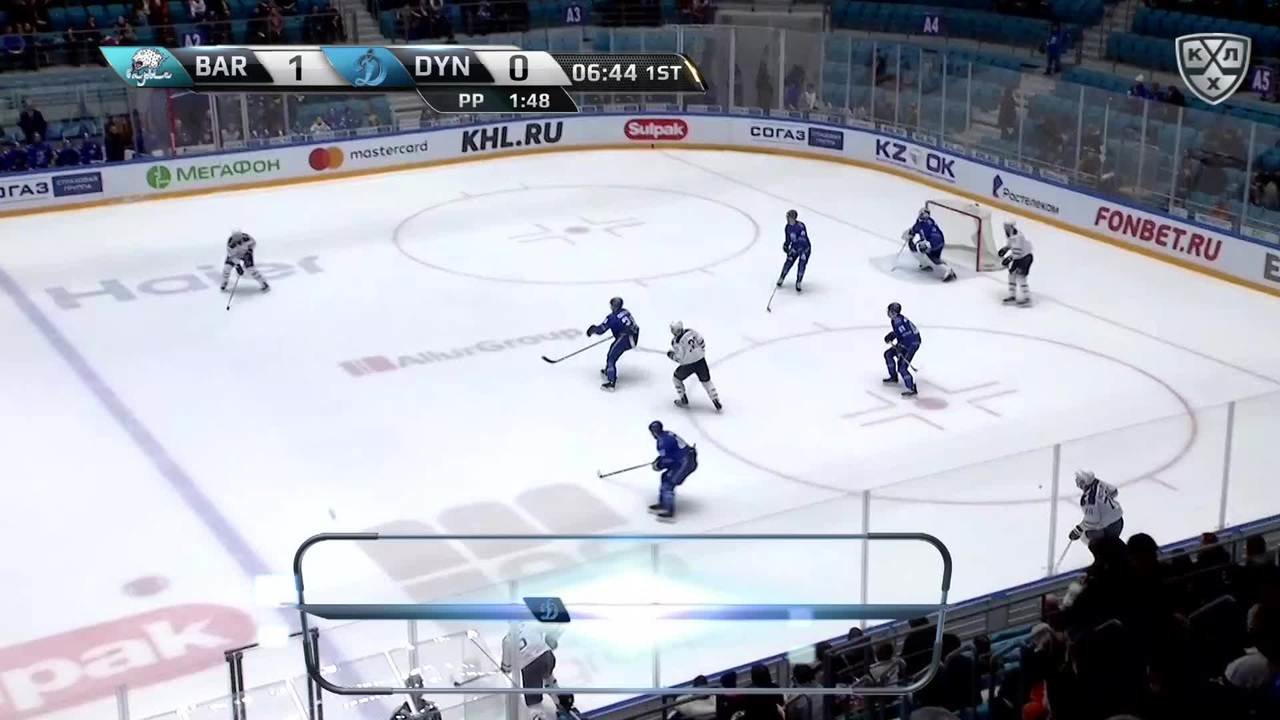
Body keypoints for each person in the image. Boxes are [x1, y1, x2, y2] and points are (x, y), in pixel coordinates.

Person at [500, 623, 571, 718]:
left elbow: (507, 666)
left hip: (530, 667)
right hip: (547, 656)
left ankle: (538, 716)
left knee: (533, 702)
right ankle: (562, 700)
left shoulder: (507, 640)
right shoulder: (530, 624)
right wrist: (552, 639)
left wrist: (505, 669)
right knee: (548, 677)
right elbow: (553, 629)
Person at [648, 420, 697, 522]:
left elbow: (667, 459)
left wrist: (658, 465)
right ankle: (664, 503)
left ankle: (669, 511)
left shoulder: (662, 442)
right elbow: (671, 453)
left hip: (684, 463)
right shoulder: (667, 433)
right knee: (665, 477)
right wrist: (659, 461)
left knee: (668, 483)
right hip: (685, 459)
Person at [586, 297, 639, 390]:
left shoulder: (612, 318)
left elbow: (601, 330)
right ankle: (609, 370)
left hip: (625, 338)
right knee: (612, 349)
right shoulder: (625, 311)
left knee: (611, 357)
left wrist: (592, 330)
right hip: (633, 337)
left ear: (613, 306)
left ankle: (611, 383)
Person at [668, 321, 721, 412]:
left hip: (688, 365)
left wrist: (671, 355)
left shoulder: (676, 342)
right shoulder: (691, 331)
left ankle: (683, 399)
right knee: (706, 381)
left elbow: (679, 358)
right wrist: (700, 352)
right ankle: (716, 400)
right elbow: (701, 341)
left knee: (676, 379)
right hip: (701, 361)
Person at [1068, 470, 1123, 545]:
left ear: (1083, 482)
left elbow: (1093, 520)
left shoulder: (1089, 499)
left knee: (1084, 536)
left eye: (1078, 479)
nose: (1076, 481)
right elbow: (1114, 491)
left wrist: (1078, 529)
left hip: (1110, 528)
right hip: (1119, 520)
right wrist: (1103, 503)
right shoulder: (1098, 482)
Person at [902, 208, 956, 282]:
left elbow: (935, 236)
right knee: (930, 256)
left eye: (924, 214)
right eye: (921, 214)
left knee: (930, 257)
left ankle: (948, 270)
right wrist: (910, 233)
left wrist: (929, 244)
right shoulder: (922, 222)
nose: (922, 216)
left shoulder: (927, 224)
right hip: (936, 242)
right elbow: (915, 229)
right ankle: (926, 264)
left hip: (935, 243)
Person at [882, 302, 921, 397]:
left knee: (902, 367)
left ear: (893, 312)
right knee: (888, 354)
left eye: (889, 311)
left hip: (912, 344)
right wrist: (891, 336)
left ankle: (911, 388)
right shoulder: (895, 320)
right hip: (906, 343)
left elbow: (909, 337)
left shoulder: (899, 321)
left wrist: (901, 347)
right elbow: (900, 333)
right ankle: (893, 377)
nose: (888, 313)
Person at [998, 221, 1034, 305]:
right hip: (1018, 257)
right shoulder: (1010, 234)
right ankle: (1012, 296)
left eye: (1006, 226)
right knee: (1011, 275)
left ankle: (1027, 298)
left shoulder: (1018, 237)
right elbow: (1010, 244)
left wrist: (1009, 259)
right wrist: (1005, 249)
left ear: (1011, 226)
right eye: (1004, 226)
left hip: (1025, 258)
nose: (1005, 228)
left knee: (1020, 277)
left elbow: (1017, 253)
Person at [776, 209, 811, 292]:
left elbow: (802, 240)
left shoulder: (801, 226)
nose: (787, 219)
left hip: (804, 248)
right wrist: (786, 246)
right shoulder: (787, 227)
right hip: (795, 247)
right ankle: (782, 277)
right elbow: (788, 239)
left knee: (802, 264)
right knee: (789, 261)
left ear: (793, 218)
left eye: (788, 217)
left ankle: (798, 281)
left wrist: (797, 250)